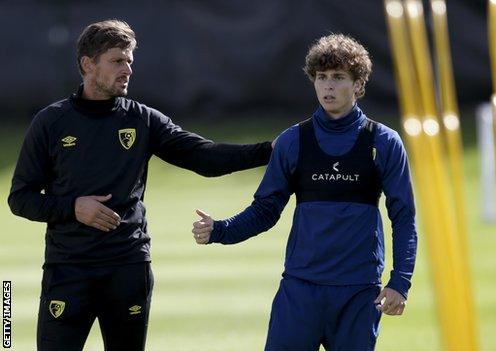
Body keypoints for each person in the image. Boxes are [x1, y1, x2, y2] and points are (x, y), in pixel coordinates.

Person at [7, 20, 273, 351]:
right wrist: (74, 208)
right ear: (88, 64)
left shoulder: (142, 120)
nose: (128, 69)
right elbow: (21, 199)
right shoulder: (51, 122)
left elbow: (206, 157)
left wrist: (270, 151)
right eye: (118, 60)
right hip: (68, 270)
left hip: (127, 267)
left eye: (130, 60)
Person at [192, 34, 417, 351]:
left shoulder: (384, 141)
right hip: (300, 290)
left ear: (358, 84)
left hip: (358, 291)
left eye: (338, 78)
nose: (328, 86)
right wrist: (220, 230)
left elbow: (404, 216)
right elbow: (265, 210)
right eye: (321, 78)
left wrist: (400, 283)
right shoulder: (293, 141)